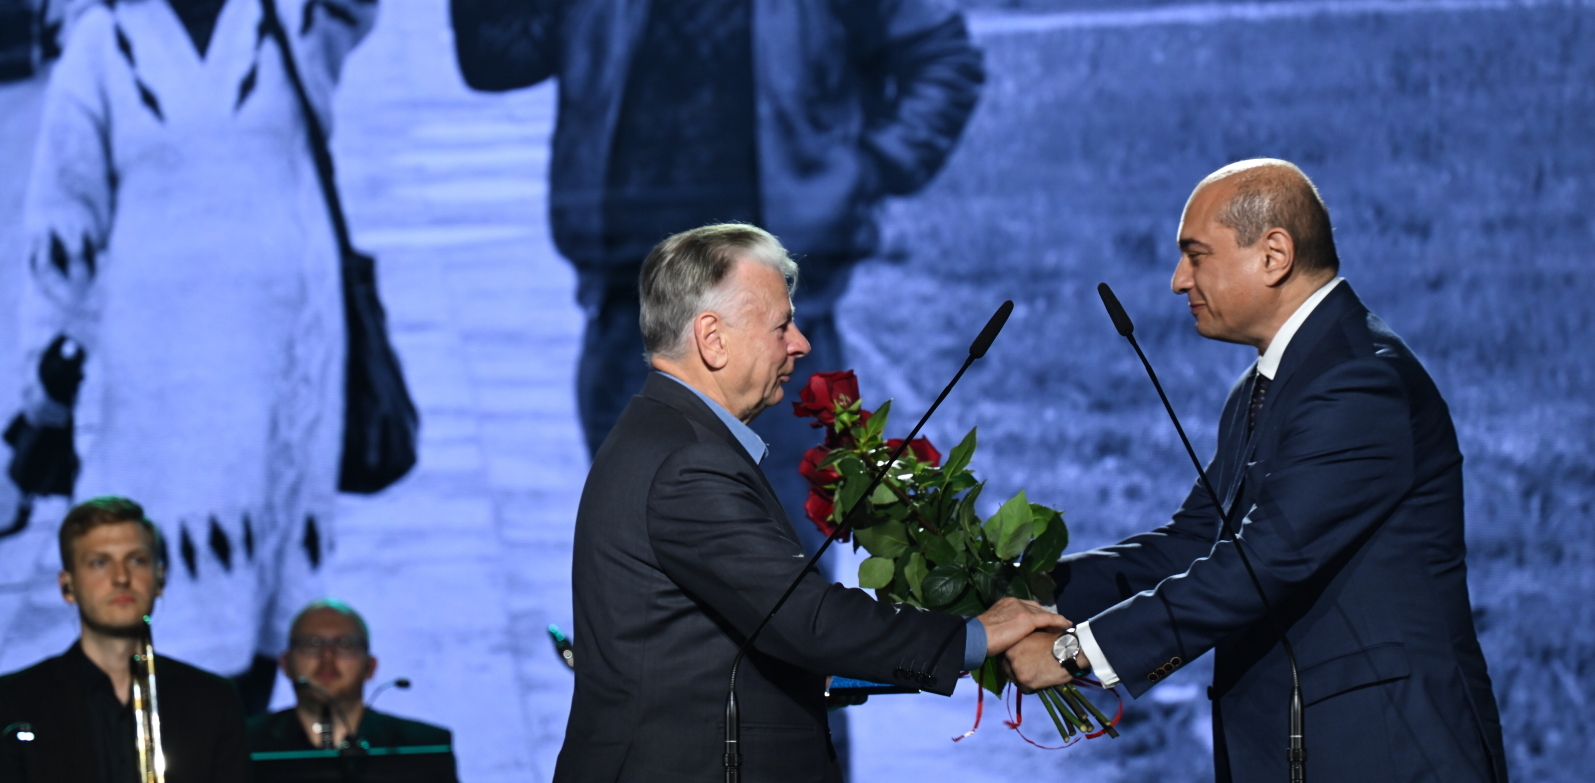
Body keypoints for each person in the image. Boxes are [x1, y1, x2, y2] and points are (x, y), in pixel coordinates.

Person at [1004, 160, 1509, 782]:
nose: (1176, 280)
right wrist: (1027, 591)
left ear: (1274, 255)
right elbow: (1193, 542)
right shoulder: (1270, 382)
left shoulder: (1357, 383)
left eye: (1196, 255)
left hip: (1383, 751)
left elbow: (1262, 564)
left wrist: (1074, 652)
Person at [448, 0, 985, 558]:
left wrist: (867, 171)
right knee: (643, 559)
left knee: (781, 560)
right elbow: (497, 56)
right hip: (631, 309)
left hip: (775, 318)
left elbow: (942, 59)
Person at [553, 224, 1068, 782]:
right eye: (781, 326)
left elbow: (725, 636)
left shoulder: (663, 433)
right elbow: (804, 618)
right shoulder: (688, 464)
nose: (801, 343)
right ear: (713, 338)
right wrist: (977, 634)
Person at [8, 0, 379, 711]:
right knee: (164, 593)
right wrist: (45, 382)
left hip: (287, 361)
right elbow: (63, 217)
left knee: (266, 586)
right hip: (159, 375)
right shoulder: (104, 42)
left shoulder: (296, 22)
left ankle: (230, 738)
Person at [0, 496, 250, 782]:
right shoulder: (12, 702)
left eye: (136, 560)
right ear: (67, 587)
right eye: (99, 562)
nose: (121, 577)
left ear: (160, 578)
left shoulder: (212, 701)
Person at [246, 598, 455, 764]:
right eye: (312, 644)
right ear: (285, 664)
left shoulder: (423, 747)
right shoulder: (242, 744)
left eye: (345, 645)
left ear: (370, 667)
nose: (327, 657)